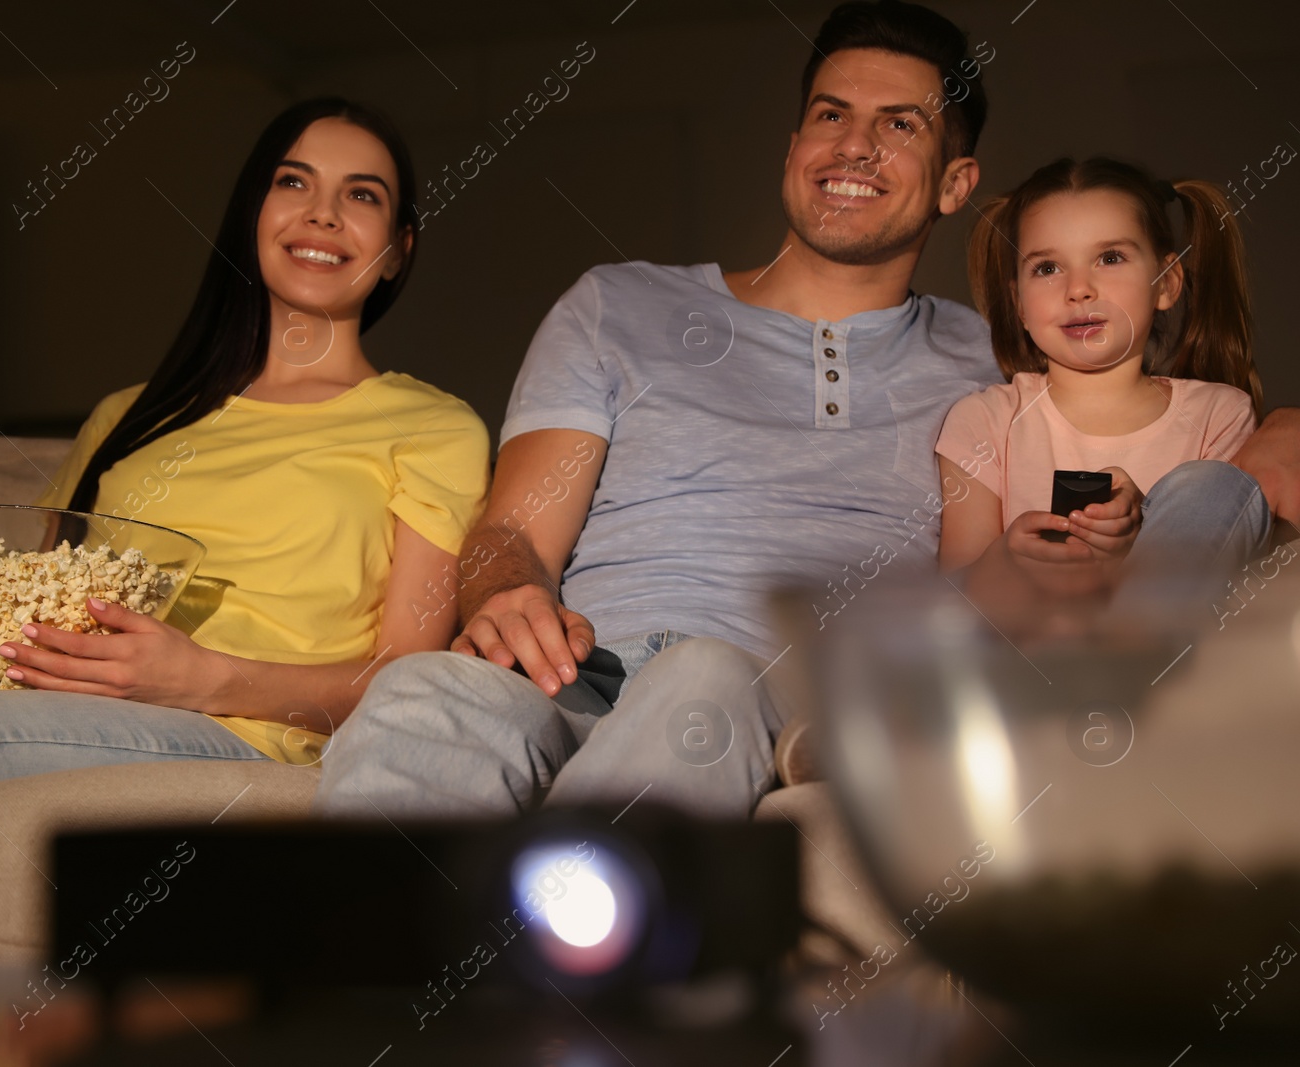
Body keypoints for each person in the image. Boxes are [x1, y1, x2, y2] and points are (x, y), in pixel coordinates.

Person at [312, 0, 1300, 820]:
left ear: (956, 182)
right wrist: (501, 594)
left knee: (697, 681)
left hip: (774, 695)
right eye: (829, 115)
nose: (853, 144)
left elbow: (1154, 415)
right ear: (793, 146)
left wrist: (1271, 434)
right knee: (418, 694)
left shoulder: (998, 360)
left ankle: (558, 993)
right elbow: (513, 531)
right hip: (571, 668)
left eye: (899, 124)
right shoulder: (620, 303)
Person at [0, 97, 489, 869]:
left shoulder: (431, 427)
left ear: (400, 247)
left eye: (362, 195)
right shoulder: (128, 416)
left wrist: (205, 677)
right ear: (251, 212)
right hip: (43, 693)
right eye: (293, 182)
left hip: (234, 733)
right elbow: (40, 596)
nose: (321, 213)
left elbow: (405, 678)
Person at [937, 157, 1270, 600]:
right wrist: (1009, 564)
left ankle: (1126, 646)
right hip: (1027, 654)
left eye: (1110, 258)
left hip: (1173, 662)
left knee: (1214, 486)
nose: (1078, 289)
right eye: (1047, 268)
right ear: (1018, 303)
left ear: (1167, 283)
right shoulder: (983, 423)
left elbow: (1231, 574)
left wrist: (1148, 522)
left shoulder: (1219, 415)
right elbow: (949, 602)